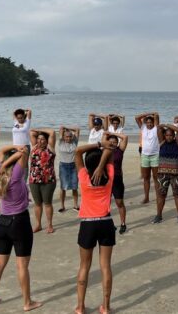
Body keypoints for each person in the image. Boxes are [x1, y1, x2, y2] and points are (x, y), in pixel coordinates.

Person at [0, 145, 42, 311]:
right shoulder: (16, 173)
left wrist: (11, 151)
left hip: (2, 223)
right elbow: (24, 152)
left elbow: (2, 152)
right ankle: (27, 302)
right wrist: (18, 151)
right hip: (19, 223)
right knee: (22, 265)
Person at [74, 134, 115, 314]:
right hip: (106, 222)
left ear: (86, 163)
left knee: (84, 266)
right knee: (105, 266)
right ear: (102, 163)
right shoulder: (109, 176)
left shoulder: (84, 177)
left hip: (88, 224)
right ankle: (105, 307)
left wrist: (98, 143)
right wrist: (101, 165)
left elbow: (77, 152)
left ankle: (81, 307)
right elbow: (110, 151)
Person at [152, 124, 178, 224]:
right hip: (162, 174)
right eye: (167, 135)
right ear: (164, 136)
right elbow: (158, 128)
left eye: (170, 135)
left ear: (173, 136)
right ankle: (159, 215)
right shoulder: (162, 142)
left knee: (177, 195)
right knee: (161, 195)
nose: (169, 137)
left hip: (176, 174)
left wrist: (167, 125)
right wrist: (163, 128)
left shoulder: (177, 143)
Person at [29, 129, 57, 233]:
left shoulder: (50, 148)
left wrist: (39, 131)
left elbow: (52, 132)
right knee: (37, 203)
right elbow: (31, 132)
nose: (40, 141)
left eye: (43, 139)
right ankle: (38, 225)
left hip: (48, 181)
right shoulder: (34, 147)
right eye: (39, 139)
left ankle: (50, 225)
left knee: (47, 203)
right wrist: (38, 133)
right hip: (34, 180)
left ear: (47, 140)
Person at [135, 112, 160, 204]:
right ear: (145, 123)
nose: (149, 124)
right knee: (146, 177)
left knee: (156, 177)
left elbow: (156, 115)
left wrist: (152, 115)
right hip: (145, 155)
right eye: (148, 122)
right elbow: (137, 117)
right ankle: (146, 197)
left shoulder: (156, 129)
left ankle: (158, 197)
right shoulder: (143, 128)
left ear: (154, 123)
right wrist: (147, 114)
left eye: (151, 122)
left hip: (155, 155)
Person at [108, 132, 128, 234]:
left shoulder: (120, 150)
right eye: (110, 141)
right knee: (106, 204)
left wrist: (111, 133)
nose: (112, 143)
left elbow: (125, 137)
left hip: (117, 179)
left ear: (117, 143)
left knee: (119, 202)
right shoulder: (104, 151)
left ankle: (123, 223)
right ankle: (109, 224)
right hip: (106, 180)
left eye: (114, 142)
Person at [58, 126, 80, 213]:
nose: (68, 138)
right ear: (63, 137)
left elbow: (77, 129)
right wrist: (66, 130)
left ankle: (75, 205)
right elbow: (61, 128)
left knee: (74, 186)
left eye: (70, 136)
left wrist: (69, 130)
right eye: (67, 136)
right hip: (63, 166)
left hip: (74, 166)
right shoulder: (60, 142)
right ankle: (62, 206)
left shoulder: (75, 142)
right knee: (63, 187)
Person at [12, 109, 32, 181]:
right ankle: (17, 177)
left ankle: (24, 180)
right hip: (15, 146)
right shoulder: (15, 122)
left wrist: (24, 111)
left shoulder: (27, 122)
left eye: (21, 117)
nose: (20, 119)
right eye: (18, 118)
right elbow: (14, 112)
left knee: (25, 164)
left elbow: (29, 111)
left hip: (25, 146)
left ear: (24, 116)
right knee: (16, 162)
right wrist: (19, 112)